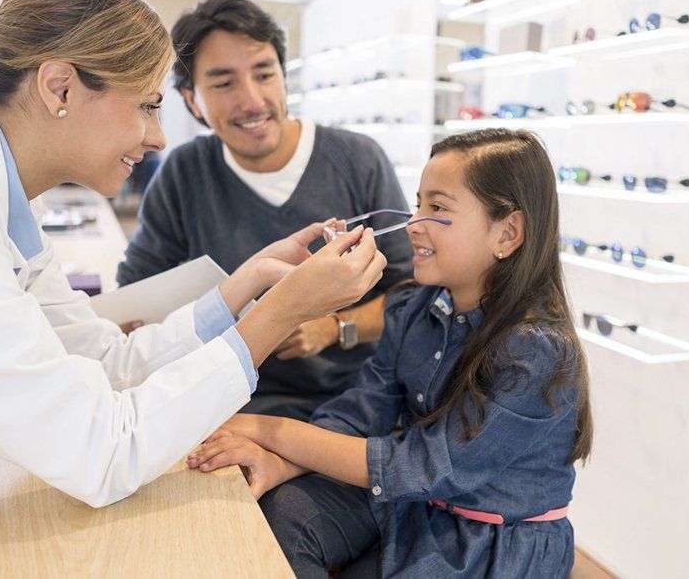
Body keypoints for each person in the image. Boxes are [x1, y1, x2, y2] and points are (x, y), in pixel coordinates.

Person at [0, 0, 386, 508]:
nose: (158, 137)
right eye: (147, 105)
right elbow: (102, 452)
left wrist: (249, 284)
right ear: (60, 87)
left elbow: (107, 364)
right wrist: (277, 314)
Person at [187, 128, 594, 578]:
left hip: (486, 547)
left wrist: (269, 430)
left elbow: (424, 466)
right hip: (414, 506)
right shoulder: (412, 307)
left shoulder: (535, 351)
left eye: (437, 208)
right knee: (285, 512)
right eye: (417, 203)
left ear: (508, 232)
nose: (413, 224)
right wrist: (282, 463)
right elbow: (364, 410)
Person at [116, 0, 413, 421]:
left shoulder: (358, 160)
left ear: (284, 78)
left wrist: (331, 329)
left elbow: (412, 294)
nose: (252, 100)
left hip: (351, 401)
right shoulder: (185, 171)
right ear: (191, 99)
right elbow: (140, 292)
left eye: (264, 74)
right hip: (224, 400)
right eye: (223, 83)